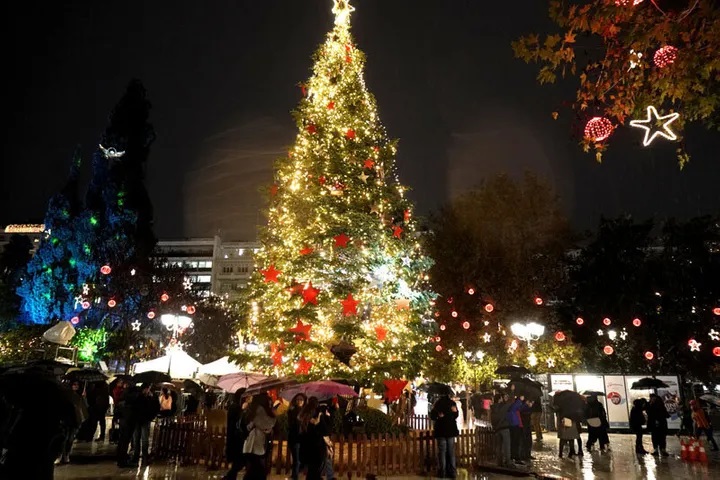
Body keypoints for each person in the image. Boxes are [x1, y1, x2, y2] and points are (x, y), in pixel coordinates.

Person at [242, 393, 276, 480]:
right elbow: (267, 423)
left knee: (254, 469)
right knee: (258, 470)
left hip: (250, 443)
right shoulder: (259, 410)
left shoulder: (252, 409)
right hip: (255, 443)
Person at [298, 397, 332, 480]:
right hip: (316, 449)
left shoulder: (303, 416)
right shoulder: (318, 415)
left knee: (311, 471)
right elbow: (325, 431)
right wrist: (327, 417)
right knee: (315, 472)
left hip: (305, 448)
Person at [430, 392, 459, 478]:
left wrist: (438, 416)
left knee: (442, 451)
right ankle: (452, 471)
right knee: (451, 451)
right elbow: (455, 415)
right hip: (450, 430)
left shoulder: (438, 404)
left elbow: (433, 416)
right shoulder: (452, 403)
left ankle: (442, 471)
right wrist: (454, 412)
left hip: (441, 431)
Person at [223, 389, 250, 480]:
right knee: (239, 462)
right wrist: (243, 411)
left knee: (238, 463)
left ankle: (230, 477)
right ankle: (229, 477)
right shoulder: (235, 407)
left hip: (238, 439)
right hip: (236, 439)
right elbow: (237, 423)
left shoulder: (237, 407)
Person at [59, 381, 88, 464]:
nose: (76, 386)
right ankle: (61, 454)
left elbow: (84, 407)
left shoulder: (79, 395)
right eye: (74, 384)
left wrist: (83, 398)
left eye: (77, 384)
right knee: (65, 438)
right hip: (67, 419)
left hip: (75, 420)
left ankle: (66, 454)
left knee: (70, 438)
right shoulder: (67, 395)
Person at [132, 383, 159, 465]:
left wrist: (151, 417)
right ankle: (137, 457)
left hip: (145, 420)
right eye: (146, 388)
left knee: (144, 439)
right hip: (138, 420)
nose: (147, 390)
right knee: (137, 439)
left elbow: (156, 407)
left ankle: (144, 457)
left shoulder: (151, 397)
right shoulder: (138, 396)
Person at [116, 383, 141, 467]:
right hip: (130, 421)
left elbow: (118, 409)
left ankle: (120, 459)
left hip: (123, 421)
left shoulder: (123, 398)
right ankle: (122, 461)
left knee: (122, 441)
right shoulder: (135, 398)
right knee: (125, 441)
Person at [288, 393, 307, 480]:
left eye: (301, 400)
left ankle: (294, 474)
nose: (299, 401)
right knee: (297, 459)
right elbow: (292, 424)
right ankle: (295, 476)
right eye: (298, 400)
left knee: (298, 459)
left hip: (301, 438)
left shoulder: (304, 411)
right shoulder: (293, 411)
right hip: (295, 437)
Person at [490, 392, 512, 468]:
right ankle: (508, 462)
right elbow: (511, 404)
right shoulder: (503, 406)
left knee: (498, 446)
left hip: (497, 429)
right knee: (506, 446)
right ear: (500, 399)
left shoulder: (492, 408)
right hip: (504, 428)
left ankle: (499, 462)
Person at [507, 395, 524, 466]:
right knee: (515, 442)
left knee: (516, 442)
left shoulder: (514, 405)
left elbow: (520, 408)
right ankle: (515, 457)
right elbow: (515, 407)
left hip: (516, 424)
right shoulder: (511, 406)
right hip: (514, 425)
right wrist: (520, 400)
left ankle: (515, 457)